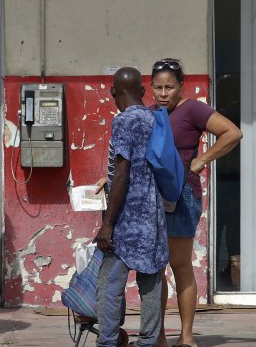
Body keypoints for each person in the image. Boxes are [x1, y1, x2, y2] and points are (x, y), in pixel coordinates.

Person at [151, 58, 242, 347]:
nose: (163, 93)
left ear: (181, 86)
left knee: (180, 265)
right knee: (155, 269)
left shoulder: (192, 109)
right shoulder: (150, 113)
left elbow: (232, 132)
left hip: (182, 195)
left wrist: (202, 159)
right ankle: (160, 336)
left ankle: (186, 337)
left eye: (169, 87)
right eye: (157, 87)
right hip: (153, 199)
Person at [93, 67, 168, 347]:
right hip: (154, 215)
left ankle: (108, 342)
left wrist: (108, 223)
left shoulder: (124, 122)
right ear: (144, 91)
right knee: (150, 283)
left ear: (113, 92)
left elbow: (122, 174)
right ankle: (148, 342)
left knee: (110, 284)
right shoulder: (153, 118)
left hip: (128, 218)